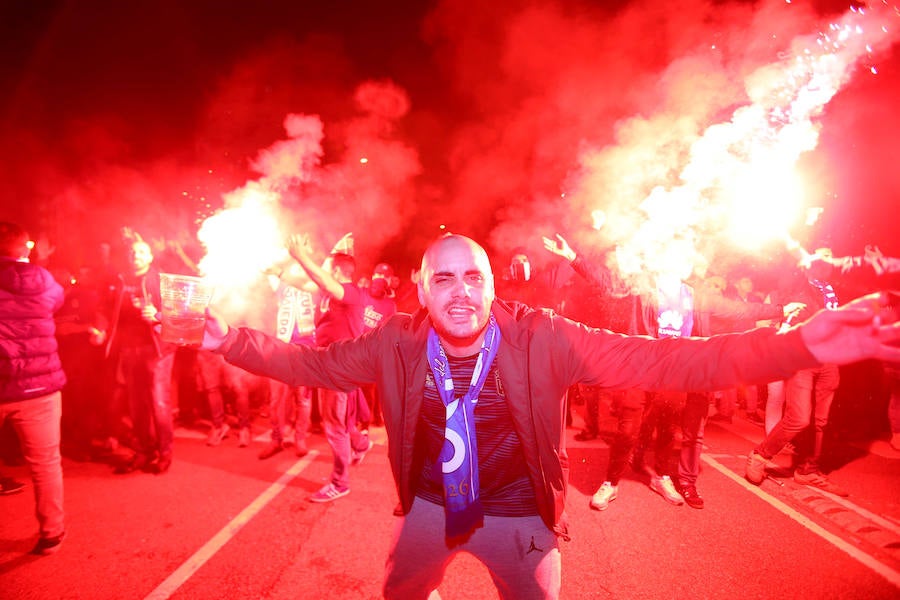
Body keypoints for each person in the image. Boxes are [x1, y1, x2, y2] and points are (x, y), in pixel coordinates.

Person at [198, 233, 899, 599]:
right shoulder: (396, 341)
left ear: (494, 284)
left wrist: (797, 344)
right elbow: (314, 366)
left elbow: (672, 362)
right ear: (419, 288)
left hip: (521, 521)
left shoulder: (544, 337)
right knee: (402, 595)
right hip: (427, 514)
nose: (460, 292)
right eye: (442, 278)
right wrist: (227, 341)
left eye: (473, 276)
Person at [0, 222, 67, 555]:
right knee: (45, 463)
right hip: (41, 385)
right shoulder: (44, 281)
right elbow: (57, 301)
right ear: (24, 248)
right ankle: (52, 532)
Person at [105, 237, 176, 475]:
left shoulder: (162, 280)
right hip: (129, 349)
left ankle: (165, 454)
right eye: (133, 252)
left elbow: (180, 314)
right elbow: (107, 312)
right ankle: (144, 451)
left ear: (151, 257)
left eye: (142, 251)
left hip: (157, 349)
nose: (136, 255)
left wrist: (157, 315)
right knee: (136, 405)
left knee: (158, 401)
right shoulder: (120, 280)